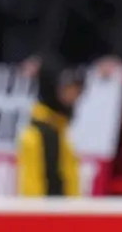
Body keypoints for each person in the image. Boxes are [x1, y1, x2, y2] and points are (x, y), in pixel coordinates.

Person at [17, 61, 85, 197]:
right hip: (48, 214)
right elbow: (31, 186)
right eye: (68, 89)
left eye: (77, 91)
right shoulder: (37, 134)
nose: (73, 96)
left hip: (65, 213)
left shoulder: (61, 129)